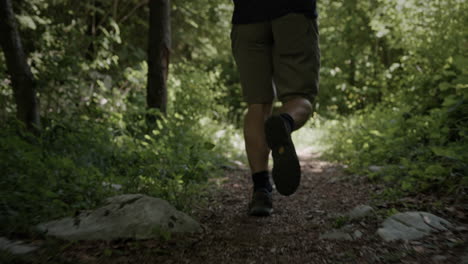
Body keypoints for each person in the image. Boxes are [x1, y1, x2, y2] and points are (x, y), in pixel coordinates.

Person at [230, 0, 320, 216]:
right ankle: (284, 122)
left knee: (257, 104)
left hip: (247, 17)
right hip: (294, 15)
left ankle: (261, 190)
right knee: (300, 97)